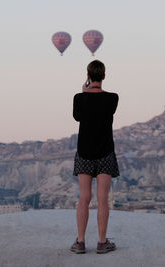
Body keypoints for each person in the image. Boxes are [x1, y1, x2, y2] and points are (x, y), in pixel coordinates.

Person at [70, 60, 119, 254]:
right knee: (102, 198)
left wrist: (84, 92)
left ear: (88, 76)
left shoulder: (79, 98)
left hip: (84, 152)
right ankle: (101, 242)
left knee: (84, 197)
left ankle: (80, 242)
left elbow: (77, 117)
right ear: (104, 76)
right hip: (105, 152)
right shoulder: (113, 98)